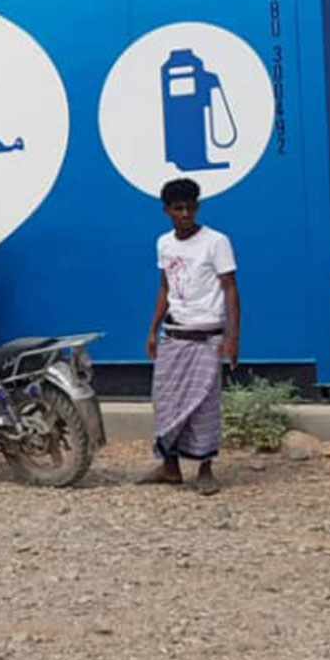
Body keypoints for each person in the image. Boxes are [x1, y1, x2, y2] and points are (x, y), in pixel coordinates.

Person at [141, 178, 241, 496]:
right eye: (178, 208)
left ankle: (205, 469)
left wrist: (233, 337)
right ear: (167, 211)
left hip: (207, 336)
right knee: (166, 402)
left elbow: (230, 288)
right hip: (174, 334)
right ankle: (170, 468)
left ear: (197, 207)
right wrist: (153, 330)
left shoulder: (216, 242)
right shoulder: (164, 244)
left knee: (204, 405)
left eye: (190, 207)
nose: (185, 214)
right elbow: (165, 287)